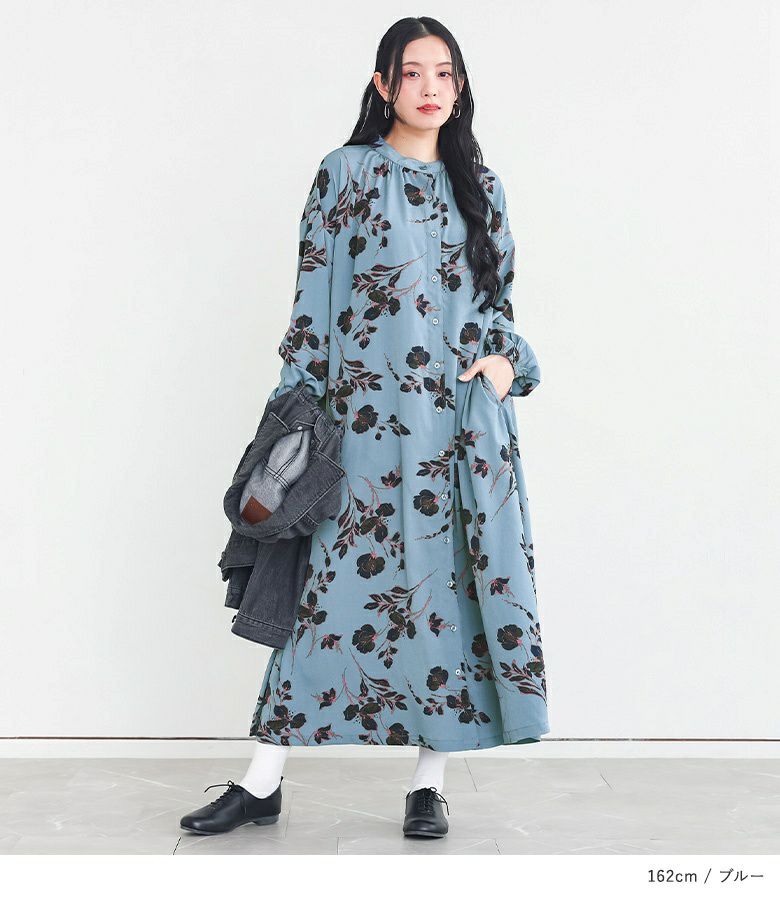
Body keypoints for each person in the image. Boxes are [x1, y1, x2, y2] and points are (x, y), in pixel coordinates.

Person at [180, 15, 549, 841]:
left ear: (460, 86)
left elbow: (499, 310)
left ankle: (428, 785)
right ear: (383, 85)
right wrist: (294, 418)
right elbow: (312, 306)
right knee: (320, 600)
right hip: (364, 433)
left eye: (444, 73)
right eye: (412, 73)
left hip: (461, 437)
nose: (430, 88)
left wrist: (507, 365)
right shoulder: (344, 174)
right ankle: (262, 782)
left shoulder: (482, 187)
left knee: (448, 602)